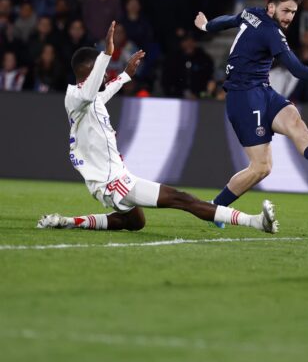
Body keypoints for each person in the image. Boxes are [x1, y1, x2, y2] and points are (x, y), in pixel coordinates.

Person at [37, 22, 277, 234]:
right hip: (115, 182)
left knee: (134, 222)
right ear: (89, 71)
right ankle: (256, 222)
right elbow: (91, 91)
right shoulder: (76, 96)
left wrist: (125, 75)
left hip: (108, 182)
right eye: (100, 71)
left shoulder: (87, 100)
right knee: (183, 200)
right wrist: (107, 55)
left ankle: (69, 222)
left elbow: (101, 93)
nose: (104, 76)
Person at [194, 0, 308, 226]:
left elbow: (231, 20)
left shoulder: (252, 13)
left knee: (293, 118)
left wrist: (207, 25)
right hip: (244, 96)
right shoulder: (272, 33)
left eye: (293, 12)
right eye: (286, 11)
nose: (290, 17)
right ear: (271, 7)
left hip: (263, 89)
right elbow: (297, 70)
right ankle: (215, 208)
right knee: (261, 167)